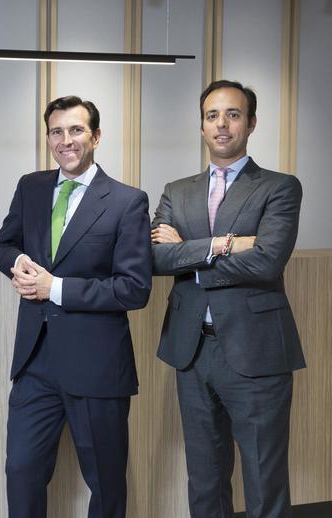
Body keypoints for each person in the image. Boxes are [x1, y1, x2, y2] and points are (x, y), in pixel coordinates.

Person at [0, 96, 152, 518]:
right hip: (36, 362)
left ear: (96, 136)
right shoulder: (31, 187)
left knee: (106, 484)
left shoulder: (127, 201)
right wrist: (18, 262)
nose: (66, 141)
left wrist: (54, 287)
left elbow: (133, 289)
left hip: (97, 367)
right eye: (56, 132)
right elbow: (0, 244)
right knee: (21, 471)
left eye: (76, 130)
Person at [151, 79, 304, 518]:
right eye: (212, 116)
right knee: (205, 479)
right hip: (192, 350)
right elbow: (156, 259)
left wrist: (189, 253)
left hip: (257, 351)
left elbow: (267, 261)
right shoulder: (177, 190)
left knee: (263, 479)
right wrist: (224, 244)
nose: (222, 124)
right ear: (201, 125)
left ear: (251, 123)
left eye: (233, 115)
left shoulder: (279, 187)